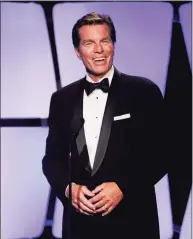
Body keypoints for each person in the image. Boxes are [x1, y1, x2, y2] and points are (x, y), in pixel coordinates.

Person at [42, 12, 167, 239]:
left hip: (134, 224)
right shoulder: (62, 99)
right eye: (89, 43)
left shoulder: (143, 91)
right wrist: (70, 189)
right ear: (78, 52)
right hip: (80, 226)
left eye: (105, 41)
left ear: (113, 46)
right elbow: (52, 160)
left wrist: (122, 186)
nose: (99, 50)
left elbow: (163, 154)